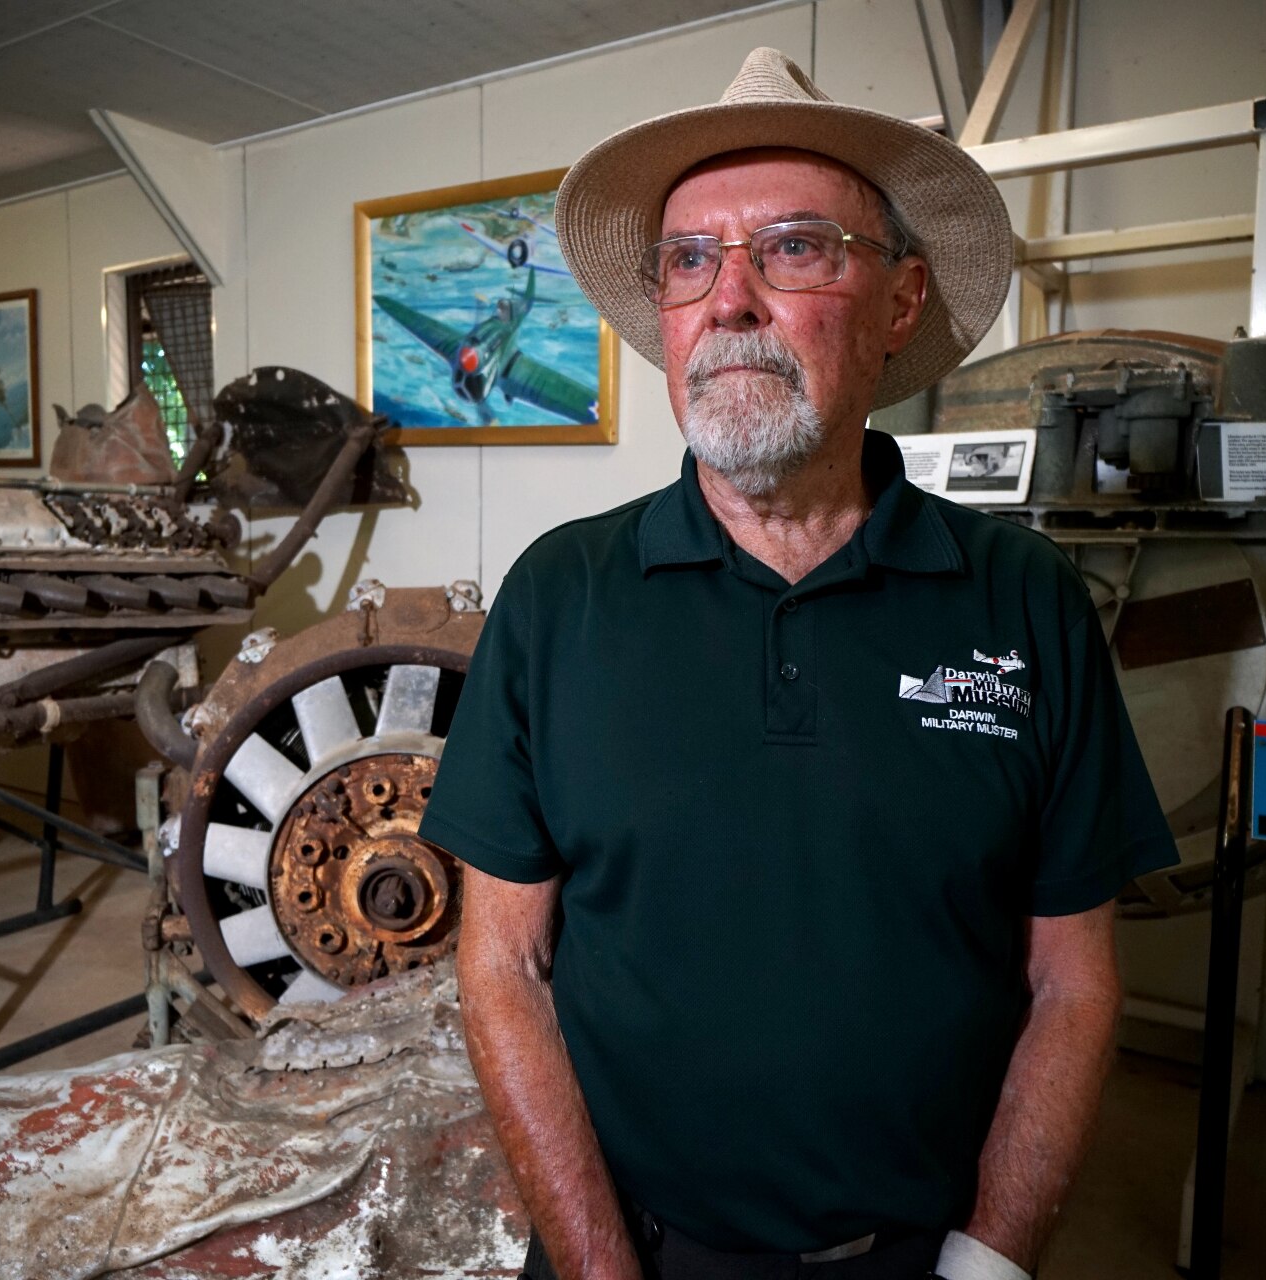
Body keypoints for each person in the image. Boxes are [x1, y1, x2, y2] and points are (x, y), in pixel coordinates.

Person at [418, 47, 1177, 1280]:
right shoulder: (560, 597)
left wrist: (991, 1260)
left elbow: (1073, 980)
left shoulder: (1026, 600)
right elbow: (500, 961)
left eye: (792, 247)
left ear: (899, 301)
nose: (730, 301)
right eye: (689, 259)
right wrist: (600, 1264)